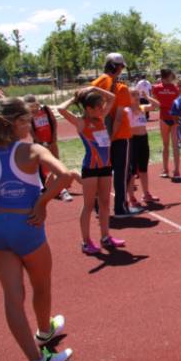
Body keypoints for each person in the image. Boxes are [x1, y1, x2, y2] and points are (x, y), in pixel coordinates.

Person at [0, 97, 75, 361]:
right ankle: (44, 331)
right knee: (41, 285)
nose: (31, 125)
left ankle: (36, 359)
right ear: (16, 123)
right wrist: (42, 202)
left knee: (13, 298)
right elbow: (65, 175)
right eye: (28, 120)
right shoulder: (33, 150)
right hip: (28, 227)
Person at [58, 87, 127, 253]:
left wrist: (94, 88)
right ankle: (86, 241)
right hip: (90, 169)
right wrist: (75, 99)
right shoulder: (81, 122)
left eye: (102, 106)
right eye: (98, 107)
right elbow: (60, 109)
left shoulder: (101, 118)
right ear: (88, 109)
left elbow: (112, 98)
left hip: (105, 167)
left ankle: (105, 237)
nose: (102, 109)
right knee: (88, 205)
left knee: (105, 203)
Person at [91, 53, 141, 217]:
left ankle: (99, 207)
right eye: (121, 67)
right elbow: (119, 117)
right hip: (119, 137)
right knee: (121, 172)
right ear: (116, 67)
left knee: (101, 172)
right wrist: (111, 138)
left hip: (98, 136)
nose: (121, 70)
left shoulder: (94, 85)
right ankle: (120, 208)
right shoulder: (121, 88)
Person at [24, 95, 72, 202]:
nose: (33, 108)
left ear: (37, 103)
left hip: (51, 140)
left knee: (56, 162)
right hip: (40, 144)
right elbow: (31, 130)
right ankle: (50, 187)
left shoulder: (45, 109)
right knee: (44, 166)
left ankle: (61, 186)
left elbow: (53, 122)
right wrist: (40, 142)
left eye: (34, 105)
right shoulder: (28, 115)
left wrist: (54, 137)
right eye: (30, 107)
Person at [126, 89, 161, 207]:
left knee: (143, 169)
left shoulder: (142, 108)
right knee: (132, 171)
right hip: (133, 140)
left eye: (137, 95)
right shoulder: (127, 110)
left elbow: (157, 105)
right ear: (128, 97)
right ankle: (131, 197)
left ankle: (146, 194)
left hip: (143, 139)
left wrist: (147, 97)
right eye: (133, 95)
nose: (136, 97)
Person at [151, 68, 181, 180]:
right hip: (171, 118)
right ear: (168, 76)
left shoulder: (157, 88)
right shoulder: (175, 88)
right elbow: (178, 102)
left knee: (168, 145)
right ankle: (174, 171)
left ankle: (168, 170)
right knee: (173, 145)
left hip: (166, 118)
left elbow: (155, 104)